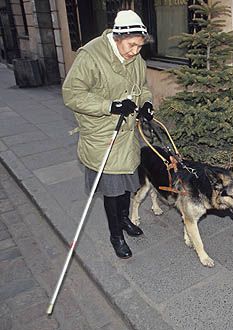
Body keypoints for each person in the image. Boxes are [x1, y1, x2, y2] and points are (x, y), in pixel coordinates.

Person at [62, 10, 155, 259]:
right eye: (131, 45)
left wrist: (146, 104)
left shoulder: (136, 59)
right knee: (112, 191)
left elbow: (142, 88)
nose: (135, 51)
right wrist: (110, 106)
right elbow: (72, 94)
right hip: (103, 136)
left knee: (126, 186)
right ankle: (116, 236)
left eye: (139, 46)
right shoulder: (91, 56)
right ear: (117, 37)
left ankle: (124, 220)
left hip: (126, 135)